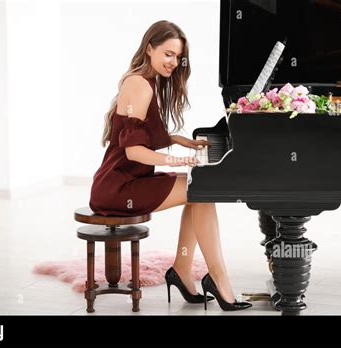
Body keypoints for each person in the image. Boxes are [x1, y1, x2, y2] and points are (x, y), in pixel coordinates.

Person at [89, 20, 251, 311]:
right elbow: (135, 151)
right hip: (117, 188)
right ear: (149, 48)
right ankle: (216, 279)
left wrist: (183, 142)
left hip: (124, 180)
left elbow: (144, 134)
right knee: (201, 189)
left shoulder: (145, 81)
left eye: (178, 57)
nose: (174, 62)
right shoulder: (139, 85)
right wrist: (176, 159)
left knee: (199, 190)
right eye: (168, 54)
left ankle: (183, 271)